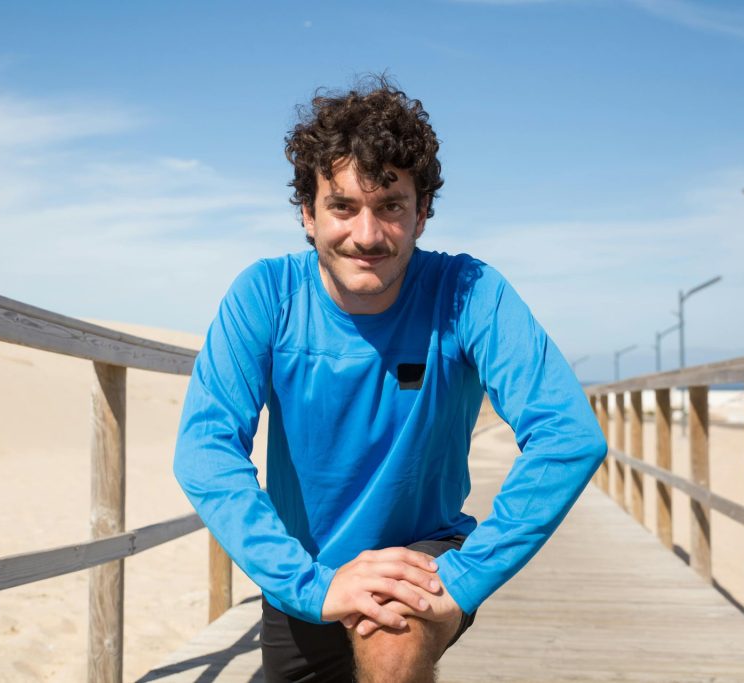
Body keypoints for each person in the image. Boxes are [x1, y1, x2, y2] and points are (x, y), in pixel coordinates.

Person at [173, 76, 607, 683]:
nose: (368, 235)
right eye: (343, 206)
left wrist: (463, 578)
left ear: (422, 214)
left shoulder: (468, 293)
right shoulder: (266, 294)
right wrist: (306, 583)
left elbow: (567, 435)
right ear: (307, 213)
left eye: (391, 207)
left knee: (391, 628)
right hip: (307, 567)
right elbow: (205, 448)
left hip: (422, 554)